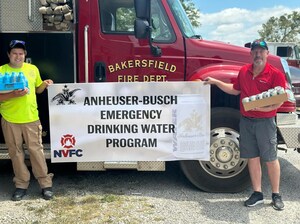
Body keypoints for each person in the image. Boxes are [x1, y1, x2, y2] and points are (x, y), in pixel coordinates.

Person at [203, 39, 285, 211]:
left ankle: (276, 195)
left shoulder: (275, 74)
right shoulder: (244, 71)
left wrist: (259, 108)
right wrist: (216, 82)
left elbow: (278, 102)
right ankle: (257, 194)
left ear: (267, 54)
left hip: (265, 122)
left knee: (270, 158)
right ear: (250, 54)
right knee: (252, 158)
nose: (258, 54)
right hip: (246, 121)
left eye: (261, 51)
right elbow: (235, 89)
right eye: (255, 51)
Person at [0, 40, 54, 201]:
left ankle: (45, 185)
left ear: (25, 55)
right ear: (9, 55)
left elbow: (37, 90)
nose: (18, 56)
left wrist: (44, 84)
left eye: (21, 53)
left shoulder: (32, 69)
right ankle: (21, 185)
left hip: (31, 118)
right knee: (15, 153)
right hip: (10, 119)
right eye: (15, 53)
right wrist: (13, 95)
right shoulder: (2, 71)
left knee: (36, 151)